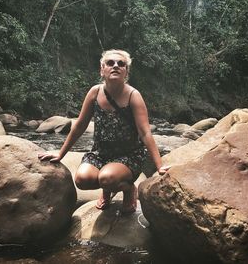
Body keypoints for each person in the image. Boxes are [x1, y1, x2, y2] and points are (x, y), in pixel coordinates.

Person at [38, 49, 169, 214]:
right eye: (110, 63)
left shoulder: (133, 96)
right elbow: (79, 126)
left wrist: (159, 167)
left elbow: (145, 133)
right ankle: (107, 189)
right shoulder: (94, 92)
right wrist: (60, 154)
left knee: (107, 178)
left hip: (128, 156)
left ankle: (128, 189)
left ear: (126, 71)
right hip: (99, 154)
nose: (115, 66)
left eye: (121, 64)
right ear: (102, 69)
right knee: (81, 180)